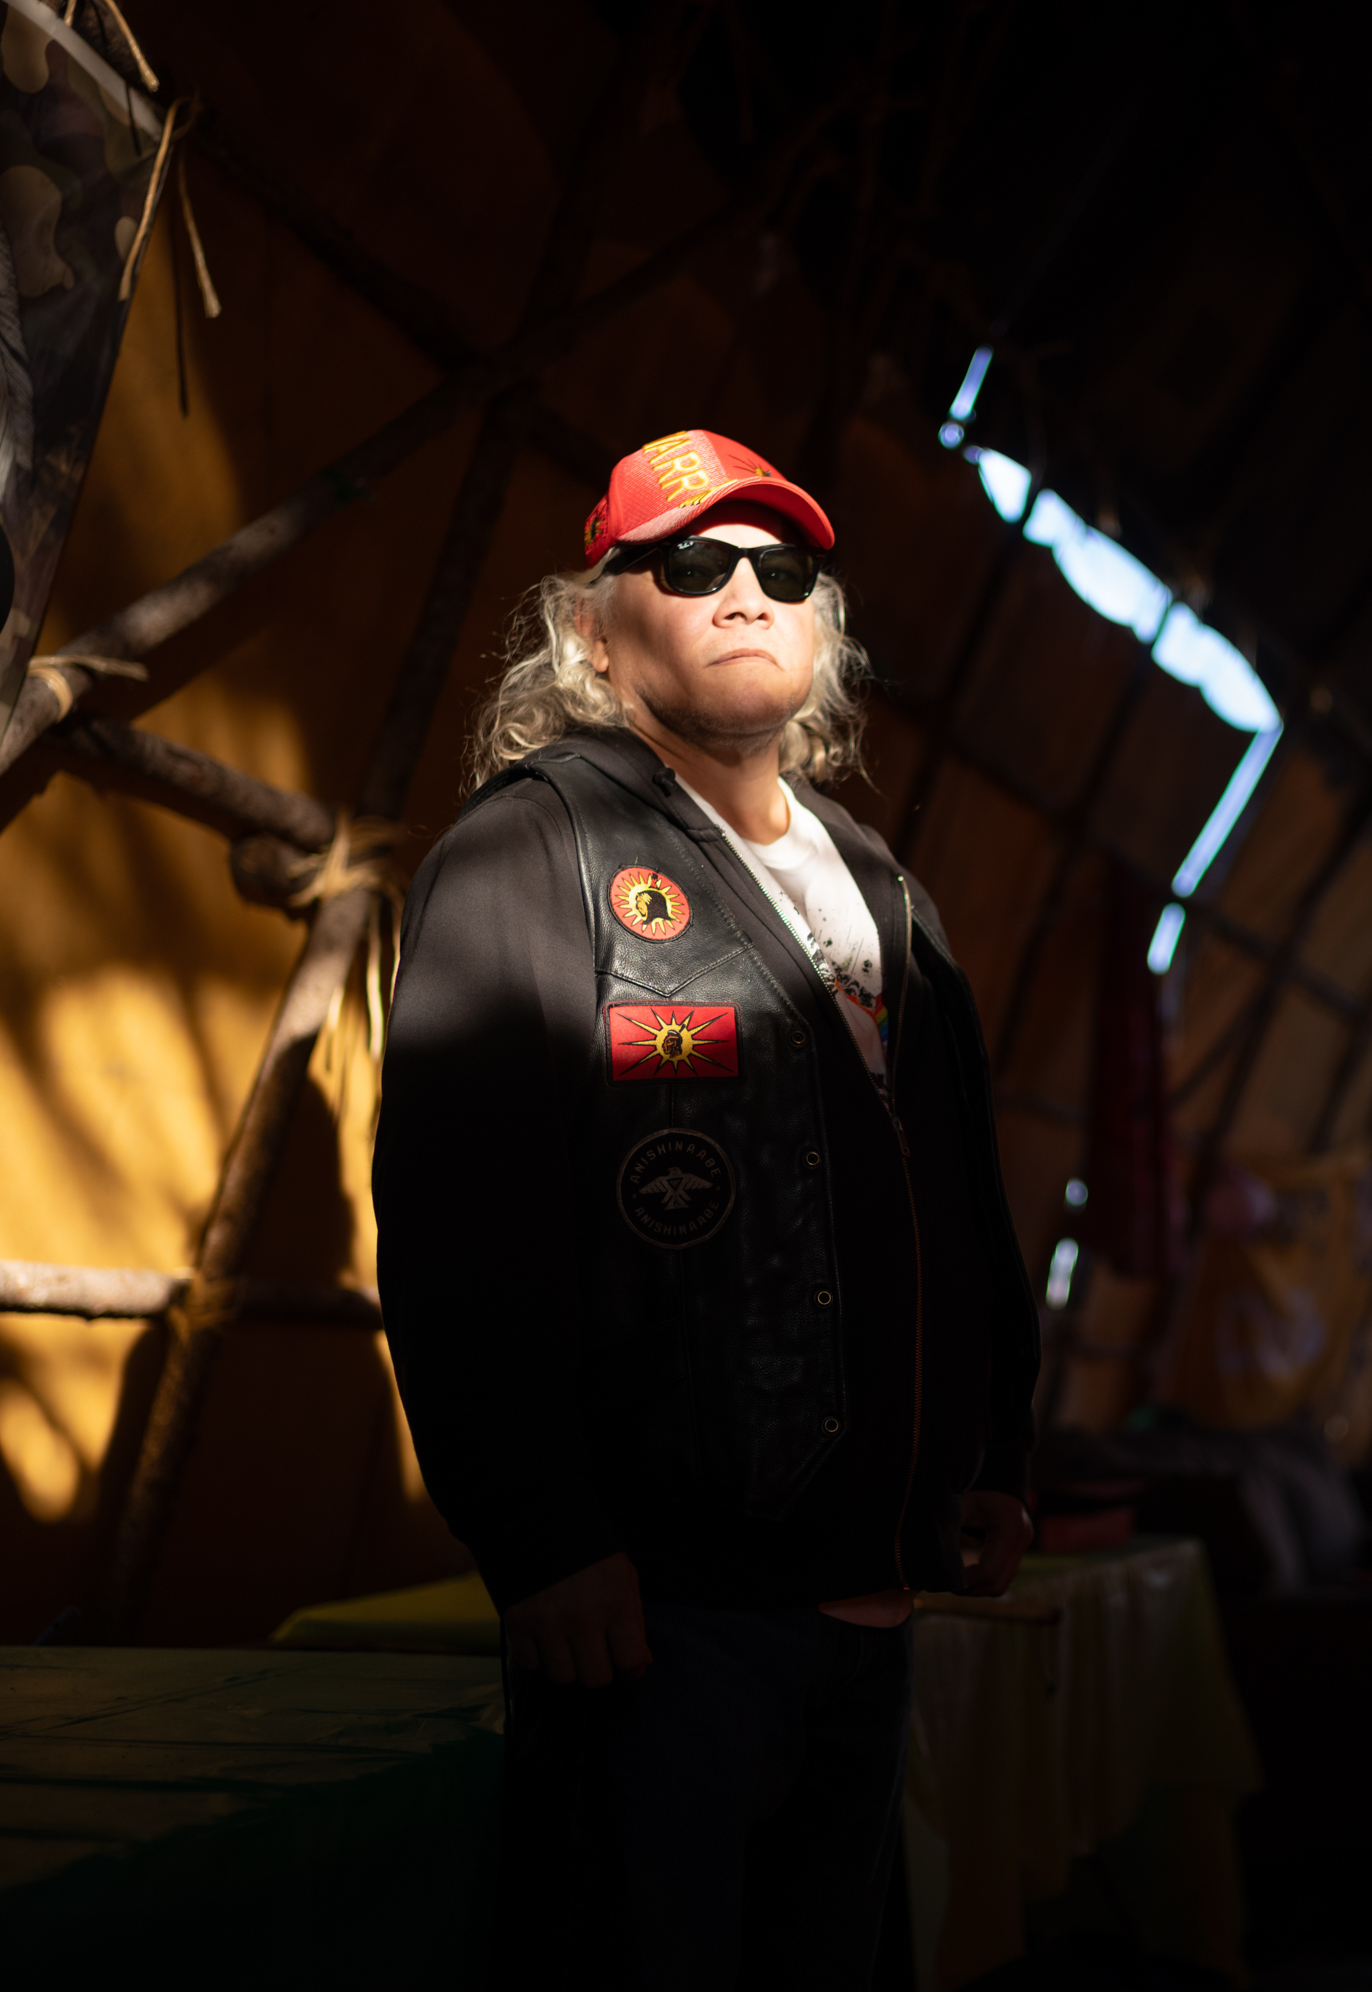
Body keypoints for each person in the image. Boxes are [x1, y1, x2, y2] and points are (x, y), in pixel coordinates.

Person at [373, 428, 1040, 1987]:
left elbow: (962, 1196)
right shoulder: (538, 846)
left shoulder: (885, 890)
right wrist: (536, 1535)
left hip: (871, 1612)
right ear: (597, 639)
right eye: (688, 565)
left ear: (822, 631)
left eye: (782, 568)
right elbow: (459, 1212)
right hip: (659, 1622)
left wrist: (996, 1445)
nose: (744, 590)